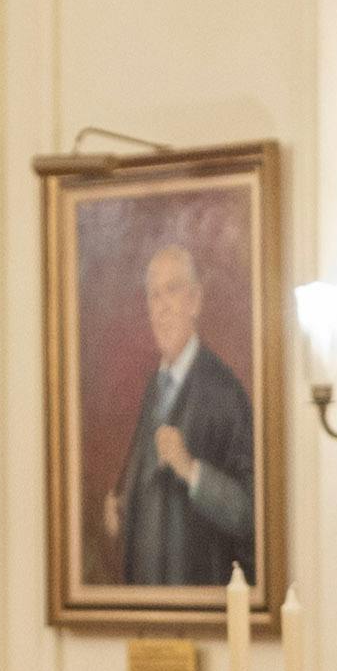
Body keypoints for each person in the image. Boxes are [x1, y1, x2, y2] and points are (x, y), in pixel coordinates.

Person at [113, 237, 253, 589]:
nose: (161, 308)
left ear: (195, 301)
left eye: (172, 291)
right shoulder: (155, 387)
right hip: (147, 606)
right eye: (153, 296)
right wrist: (121, 503)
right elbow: (146, 482)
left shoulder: (225, 392)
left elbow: (249, 514)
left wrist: (191, 470)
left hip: (202, 605)